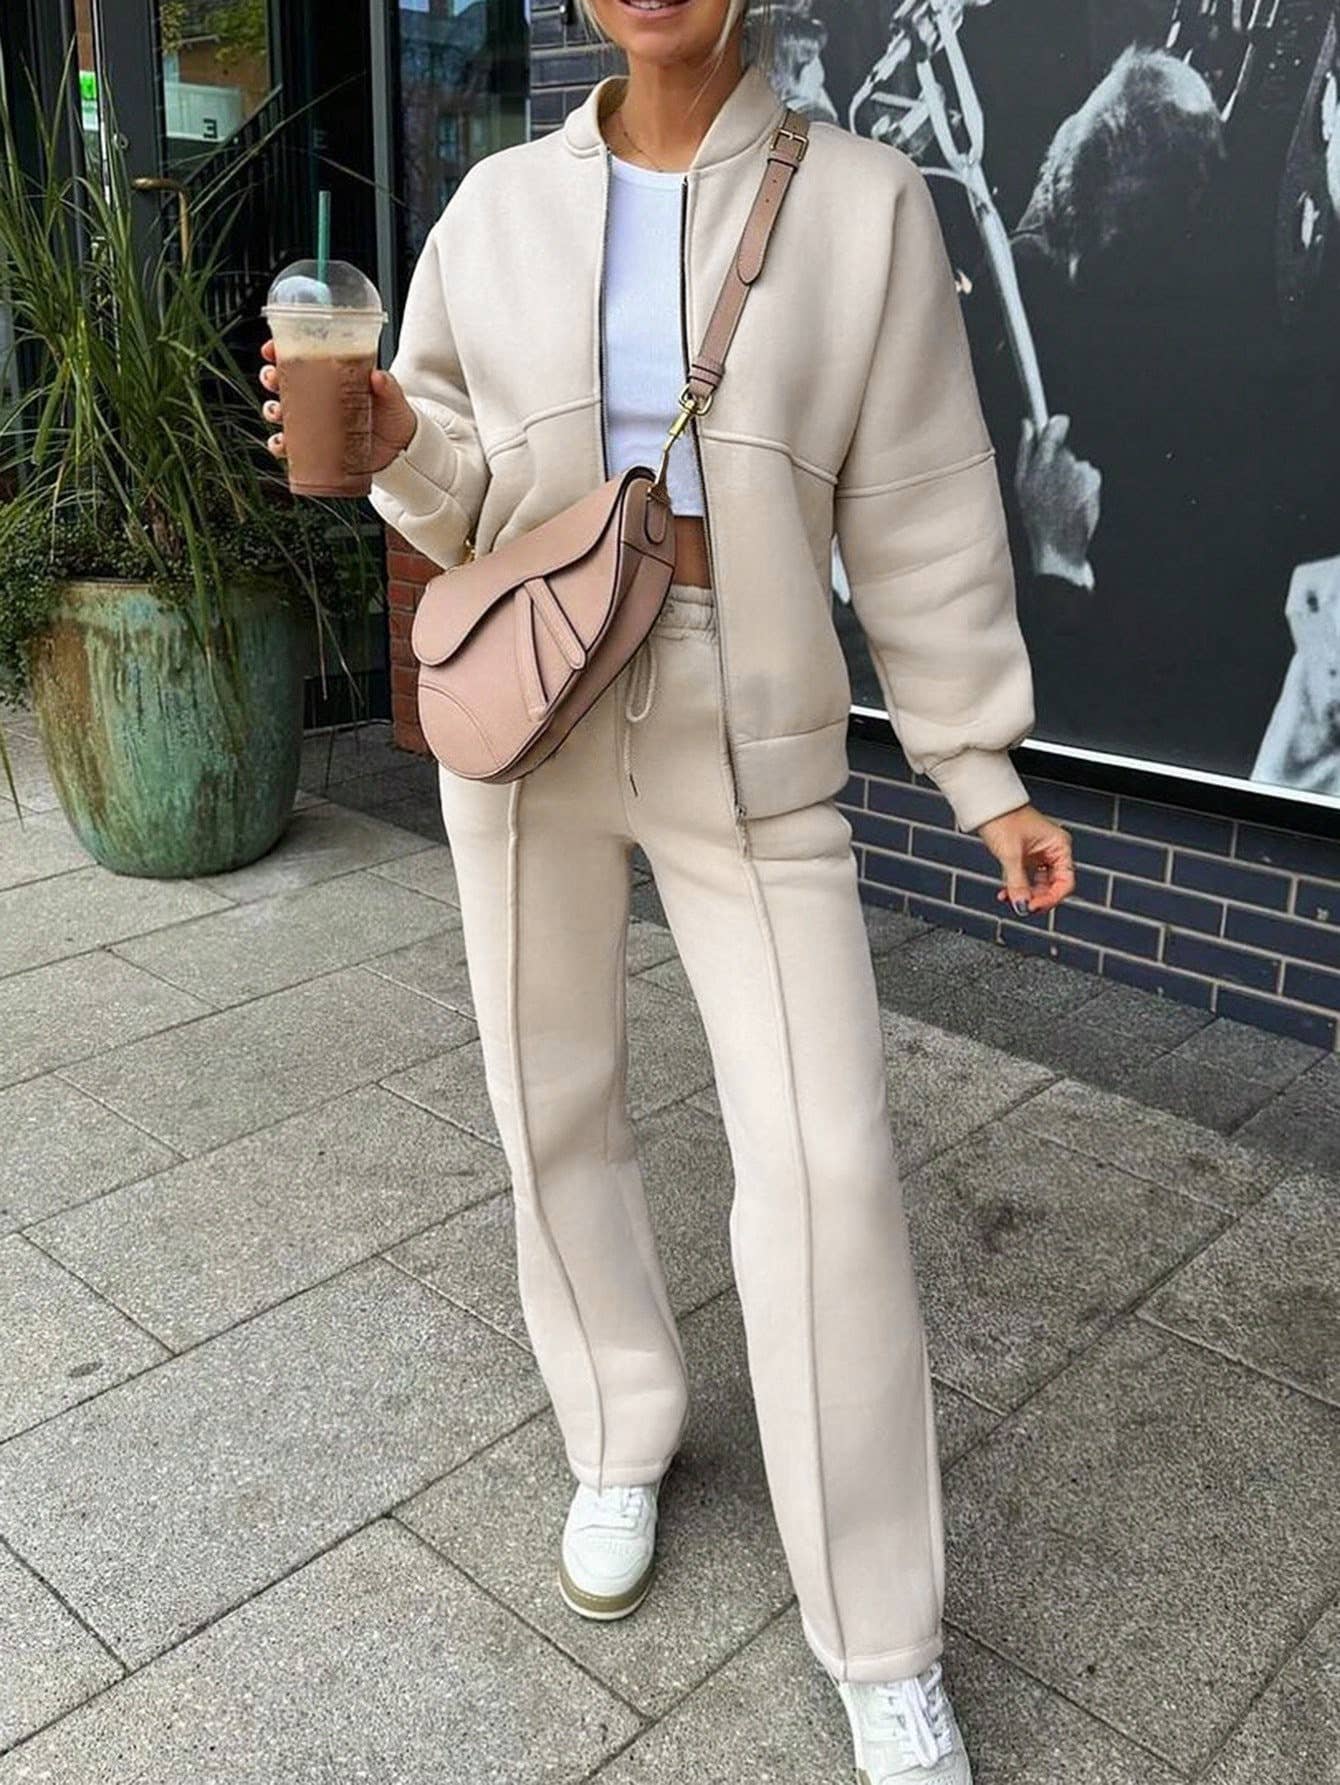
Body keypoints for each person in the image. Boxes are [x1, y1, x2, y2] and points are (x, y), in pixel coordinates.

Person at [259, 3, 1074, 1777]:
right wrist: (390, 432)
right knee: (550, 1098)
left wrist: (979, 763)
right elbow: (461, 500)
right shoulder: (495, 208)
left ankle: (880, 1632)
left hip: (746, 714)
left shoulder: (864, 204)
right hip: (533, 702)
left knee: (829, 1163)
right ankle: (618, 1431)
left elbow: (925, 502)